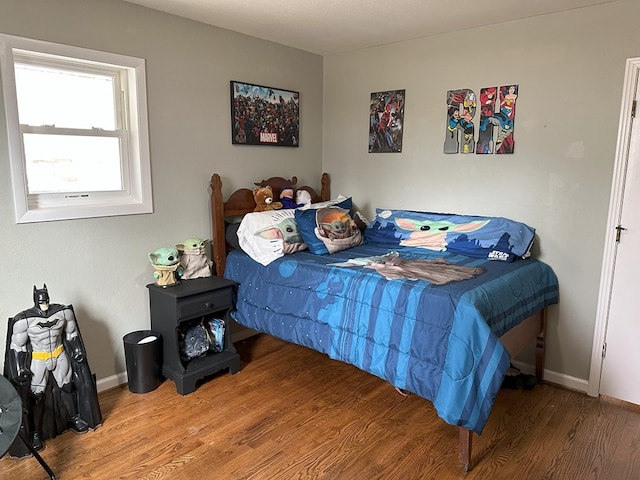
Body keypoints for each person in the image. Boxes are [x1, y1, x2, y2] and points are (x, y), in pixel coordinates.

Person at [5, 284, 102, 456]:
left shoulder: (63, 312)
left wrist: (77, 350)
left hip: (59, 354)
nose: (44, 304)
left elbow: (72, 334)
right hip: (39, 359)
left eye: (46, 300)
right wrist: (20, 367)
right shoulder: (24, 320)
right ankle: (36, 433)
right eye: (41, 300)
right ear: (35, 299)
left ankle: (73, 418)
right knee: (37, 397)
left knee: (67, 387)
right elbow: (17, 346)